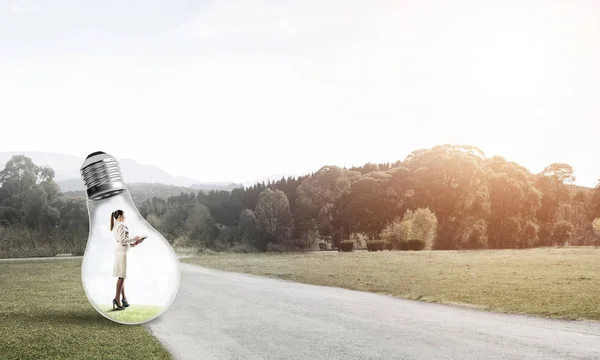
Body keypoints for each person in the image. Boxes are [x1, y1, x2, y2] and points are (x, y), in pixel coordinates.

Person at [109, 209, 144, 310]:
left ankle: (124, 299)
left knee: (121, 275)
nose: (125, 217)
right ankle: (117, 299)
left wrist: (135, 243)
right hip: (121, 252)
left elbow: (122, 241)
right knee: (122, 276)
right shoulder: (121, 225)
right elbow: (124, 241)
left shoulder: (116, 226)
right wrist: (135, 238)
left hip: (119, 251)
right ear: (119, 216)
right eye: (124, 216)